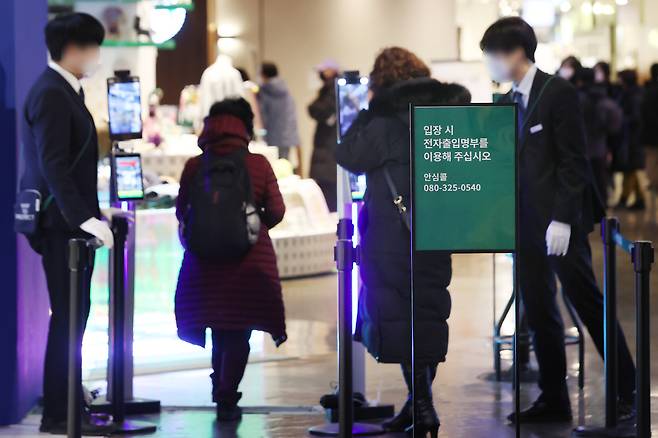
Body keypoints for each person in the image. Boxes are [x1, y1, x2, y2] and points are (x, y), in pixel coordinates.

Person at [480, 17, 636, 424]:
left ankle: (628, 391)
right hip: (524, 224)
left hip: (557, 226)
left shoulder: (557, 92)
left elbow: (573, 160)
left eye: (492, 55)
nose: (489, 64)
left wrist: (563, 220)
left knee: (587, 302)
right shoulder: (510, 98)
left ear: (515, 53)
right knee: (538, 307)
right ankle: (553, 397)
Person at [336, 47, 470, 437]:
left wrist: (366, 112)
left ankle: (423, 404)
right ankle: (418, 403)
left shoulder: (382, 124)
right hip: (436, 227)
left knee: (398, 316)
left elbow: (349, 156)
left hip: (391, 234)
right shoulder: (441, 115)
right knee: (426, 312)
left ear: (381, 84)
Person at [19, 13, 116, 435]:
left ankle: (67, 405)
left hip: (69, 223)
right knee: (69, 318)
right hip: (61, 225)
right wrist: (84, 218)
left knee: (73, 317)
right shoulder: (52, 93)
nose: (96, 56)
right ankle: (61, 412)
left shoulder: (63, 91)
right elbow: (53, 163)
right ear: (74, 48)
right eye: (93, 47)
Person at [175, 98, 287, 422]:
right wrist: (253, 225)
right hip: (249, 264)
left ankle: (219, 387)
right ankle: (227, 394)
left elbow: (182, 212)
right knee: (238, 332)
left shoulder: (194, 166)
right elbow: (277, 210)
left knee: (218, 328)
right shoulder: (259, 165)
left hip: (203, 264)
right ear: (246, 127)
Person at [573, 67, 623, 206]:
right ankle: (601, 205)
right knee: (600, 178)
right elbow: (615, 122)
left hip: (579, 147)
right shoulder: (602, 96)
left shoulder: (576, 97)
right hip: (600, 145)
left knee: (581, 180)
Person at [308, 59, 340, 211]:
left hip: (328, 151)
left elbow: (317, 109)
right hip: (326, 151)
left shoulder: (333, 90)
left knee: (329, 198)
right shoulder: (330, 90)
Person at [258, 62, 301, 162]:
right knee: (284, 166)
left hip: (272, 135)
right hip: (287, 135)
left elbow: (262, 116)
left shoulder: (264, 91)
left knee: (272, 167)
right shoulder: (285, 89)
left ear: (263, 74)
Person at [617, 69, 648, 209]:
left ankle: (626, 198)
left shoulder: (632, 95)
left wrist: (622, 120)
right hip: (635, 136)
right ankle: (639, 199)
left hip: (633, 137)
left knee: (631, 168)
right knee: (632, 168)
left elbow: (635, 117)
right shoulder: (637, 93)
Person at [642, 63, 658, 189]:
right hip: (651, 133)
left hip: (650, 134)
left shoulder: (648, 91)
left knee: (651, 160)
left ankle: (653, 182)